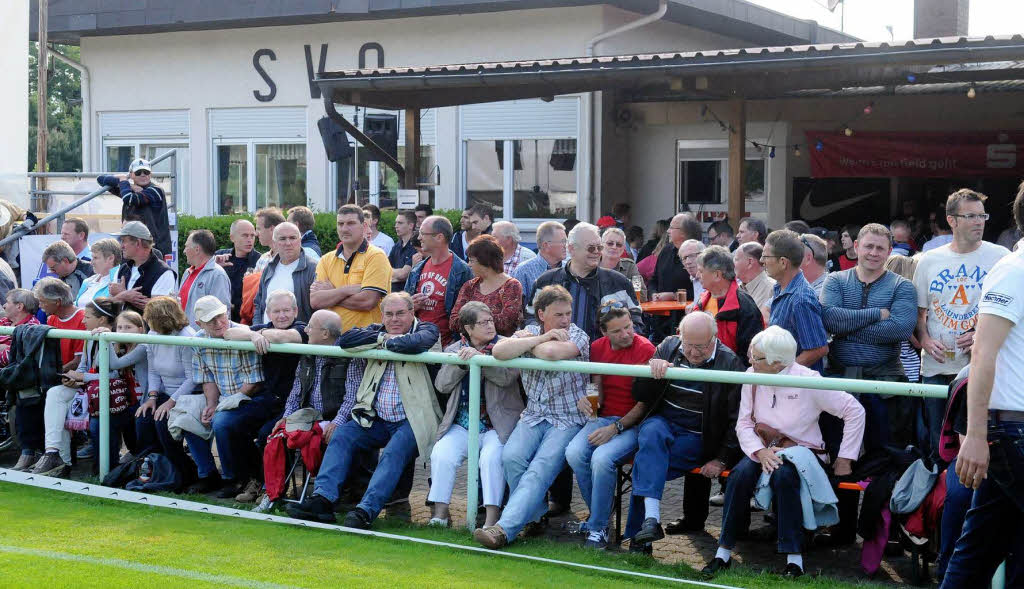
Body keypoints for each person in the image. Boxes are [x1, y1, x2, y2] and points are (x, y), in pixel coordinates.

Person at [702, 326, 865, 579]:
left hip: (802, 452)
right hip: (762, 450)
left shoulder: (809, 380)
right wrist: (760, 452)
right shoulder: (751, 375)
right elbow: (744, 423)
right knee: (737, 476)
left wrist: (845, 457)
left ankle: (794, 559)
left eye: (755, 357)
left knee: (784, 477)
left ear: (778, 363)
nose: (749, 360)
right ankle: (722, 554)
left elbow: (855, 411)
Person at [287, 292, 442, 529]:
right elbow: (347, 339)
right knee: (341, 435)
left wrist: (384, 342)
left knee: (391, 454)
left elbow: (415, 343)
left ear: (412, 313)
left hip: (413, 420)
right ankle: (322, 501)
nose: (394, 319)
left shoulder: (428, 330)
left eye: (401, 313)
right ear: (382, 315)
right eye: (389, 314)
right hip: (375, 418)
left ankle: (365, 511)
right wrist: (383, 337)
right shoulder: (376, 329)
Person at [940, 185, 1024, 587]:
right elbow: (982, 355)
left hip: (1011, 431)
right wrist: (975, 436)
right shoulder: (1014, 270)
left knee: (980, 550)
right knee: (981, 550)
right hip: (1011, 430)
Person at [473, 285, 590, 549]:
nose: (565, 320)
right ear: (541, 314)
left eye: (567, 313)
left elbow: (551, 354)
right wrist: (539, 339)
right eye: (558, 314)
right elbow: (498, 352)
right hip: (534, 415)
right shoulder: (530, 334)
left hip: (568, 419)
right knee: (510, 458)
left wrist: (528, 344)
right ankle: (535, 517)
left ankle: (503, 529)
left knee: (539, 469)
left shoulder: (578, 335)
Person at [627, 312, 744, 547]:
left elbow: (737, 420)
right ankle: (649, 523)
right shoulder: (669, 346)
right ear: (680, 336)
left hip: (698, 435)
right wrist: (651, 371)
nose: (692, 352)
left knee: (646, 465)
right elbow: (639, 395)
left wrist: (721, 459)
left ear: (714, 339)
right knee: (650, 432)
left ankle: (642, 536)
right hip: (663, 426)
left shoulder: (730, 363)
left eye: (700, 347)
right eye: (688, 345)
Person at [914, 188, 1009, 464]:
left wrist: (982, 334)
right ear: (951, 220)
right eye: (971, 216)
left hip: (980, 369)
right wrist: (925, 339)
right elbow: (920, 315)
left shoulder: (1000, 256)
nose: (979, 222)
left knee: (980, 447)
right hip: (937, 367)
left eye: (982, 216)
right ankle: (942, 503)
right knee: (939, 446)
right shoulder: (928, 260)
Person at [820, 223, 918, 454]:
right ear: (856, 246)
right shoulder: (835, 280)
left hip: (885, 384)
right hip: (839, 380)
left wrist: (846, 331)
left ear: (889, 251)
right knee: (836, 454)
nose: (873, 253)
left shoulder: (902, 287)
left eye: (880, 248)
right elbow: (829, 319)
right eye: (868, 246)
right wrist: (875, 314)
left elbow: (900, 329)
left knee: (885, 455)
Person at [565, 304, 655, 548]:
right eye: (617, 331)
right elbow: (597, 387)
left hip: (634, 423)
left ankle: (598, 526)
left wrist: (615, 429)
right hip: (605, 417)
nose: (626, 334)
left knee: (602, 459)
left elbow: (644, 404)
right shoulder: (597, 347)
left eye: (629, 327)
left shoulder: (645, 348)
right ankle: (601, 516)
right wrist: (589, 403)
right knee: (574, 453)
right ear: (604, 332)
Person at [430, 302, 525, 528]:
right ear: (468, 329)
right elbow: (441, 385)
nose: (490, 325)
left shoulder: (506, 346)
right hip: (463, 424)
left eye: (490, 320)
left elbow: (506, 379)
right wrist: (463, 364)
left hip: (497, 425)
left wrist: (479, 361)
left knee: (491, 459)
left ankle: (491, 521)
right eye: (482, 323)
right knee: (442, 453)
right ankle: (440, 516)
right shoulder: (454, 350)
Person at [223, 289, 309, 502]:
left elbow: (282, 337)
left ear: (296, 311)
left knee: (266, 435)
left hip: (295, 402)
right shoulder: (263, 328)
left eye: (286, 310)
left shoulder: (302, 328)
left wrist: (259, 335)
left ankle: (273, 487)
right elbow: (228, 333)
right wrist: (253, 335)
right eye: (277, 311)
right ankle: (255, 479)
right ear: (268, 314)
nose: (282, 316)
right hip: (267, 398)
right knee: (230, 425)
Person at [183, 295, 268, 498]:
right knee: (183, 417)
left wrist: (228, 402)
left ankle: (232, 478)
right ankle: (207, 475)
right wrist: (211, 404)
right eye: (211, 320)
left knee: (221, 422)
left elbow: (255, 381)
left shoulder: (244, 334)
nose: (218, 322)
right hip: (223, 395)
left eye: (220, 316)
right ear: (199, 324)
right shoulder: (198, 341)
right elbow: (207, 377)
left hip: (252, 396)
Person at [32, 298, 126, 477]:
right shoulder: (88, 336)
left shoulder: (115, 337)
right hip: (88, 389)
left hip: (109, 394)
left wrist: (82, 377)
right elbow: (83, 366)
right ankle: (55, 455)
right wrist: (73, 378)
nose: (83, 320)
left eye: (87, 317)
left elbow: (114, 376)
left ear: (102, 320)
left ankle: (62, 461)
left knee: (60, 403)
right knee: (55, 394)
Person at [532, 222, 642, 342]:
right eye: (591, 248)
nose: (596, 252)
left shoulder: (620, 283)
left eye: (599, 247)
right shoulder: (546, 282)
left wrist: (614, 344)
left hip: (604, 359)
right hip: (556, 356)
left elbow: (636, 325)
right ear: (572, 249)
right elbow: (531, 320)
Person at [136, 296, 197, 482]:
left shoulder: (187, 337)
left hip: (190, 394)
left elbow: (193, 378)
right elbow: (153, 370)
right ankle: (155, 468)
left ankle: (183, 472)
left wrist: (171, 403)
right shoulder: (153, 336)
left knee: (163, 423)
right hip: (165, 393)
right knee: (143, 418)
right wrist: (152, 397)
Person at [311, 205, 392, 332]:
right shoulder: (326, 259)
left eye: (351, 223)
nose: (344, 229)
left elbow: (367, 301)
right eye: (340, 224)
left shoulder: (376, 256)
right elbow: (316, 301)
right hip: (330, 342)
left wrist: (332, 294)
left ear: (364, 226)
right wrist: (345, 290)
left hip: (365, 341)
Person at [762, 230, 829, 372]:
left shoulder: (801, 299)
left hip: (798, 390)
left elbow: (818, 349)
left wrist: (784, 372)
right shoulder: (781, 288)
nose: (762, 261)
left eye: (766, 256)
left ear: (783, 262)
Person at [404, 215, 472, 347]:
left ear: (439, 237)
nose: (418, 238)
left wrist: (455, 343)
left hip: (448, 347)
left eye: (422, 233)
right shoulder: (417, 269)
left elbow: (468, 312)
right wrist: (410, 305)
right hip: (417, 343)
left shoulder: (462, 271)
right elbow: (404, 305)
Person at [692, 245, 763, 364]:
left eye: (701, 271)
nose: (697, 276)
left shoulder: (744, 306)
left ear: (717, 275)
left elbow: (749, 354)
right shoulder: (703, 300)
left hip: (730, 375)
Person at [449, 235, 523, 338]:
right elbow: (453, 321)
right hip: (468, 346)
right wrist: (484, 322)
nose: (468, 265)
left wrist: (471, 322)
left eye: (471, 260)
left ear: (485, 262)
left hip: (500, 347)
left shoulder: (511, 286)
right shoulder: (469, 286)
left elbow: (505, 322)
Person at [97, 158, 172, 258]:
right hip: (132, 245)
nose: (143, 175)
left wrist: (124, 181)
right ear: (131, 175)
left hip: (154, 247)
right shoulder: (129, 189)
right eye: (138, 172)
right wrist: (130, 185)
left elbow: (129, 199)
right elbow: (101, 179)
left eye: (146, 172)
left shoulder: (156, 190)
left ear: (150, 174)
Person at [253, 222, 317, 324]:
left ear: (300, 240)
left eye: (292, 238)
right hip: (264, 335)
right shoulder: (269, 268)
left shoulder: (313, 268)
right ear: (274, 243)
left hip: (295, 337)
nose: (288, 243)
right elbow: (259, 304)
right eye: (282, 239)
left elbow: (319, 308)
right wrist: (257, 327)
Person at [109, 221, 175, 315]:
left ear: (137, 243)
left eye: (123, 241)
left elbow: (161, 311)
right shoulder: (122, 269)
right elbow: (109, 305)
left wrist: (122, 295)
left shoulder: (163, 272)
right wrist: (124, 295)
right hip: (121, 329)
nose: (121, 246)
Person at [179, 229, 232, 329]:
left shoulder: (217, 275)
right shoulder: (187, 272)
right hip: (186, 339)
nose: (184, 251)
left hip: (203, 341)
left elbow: (223, 314)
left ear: (197, 249)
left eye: (186, 247)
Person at [512, 221, 567, 317]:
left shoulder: (569, 269)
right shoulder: (523, 270)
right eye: (562, 241)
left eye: (566, 242)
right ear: (546, 245)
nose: (566, 246)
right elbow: (517, 310)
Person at [884, 255, 923, 385]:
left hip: (886, 371)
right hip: (906, 370)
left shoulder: (881, 301)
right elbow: (918, 343)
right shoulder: (906, 304)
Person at [35, 278, 85, 372]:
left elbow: (79, 361)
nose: (40, 306)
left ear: (57, 302)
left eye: (42, 301)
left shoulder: (83, 320)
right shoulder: (52, 319)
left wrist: (53, 374)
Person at [215, 219, 261, 322]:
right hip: (220, 318)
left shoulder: (260, 261)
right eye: (245, 235)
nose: (249, 240)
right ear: (232, 238)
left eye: (252, 236)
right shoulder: (220, 257)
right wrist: (214, 265)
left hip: (247, 320)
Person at [649, 214, 699, 304]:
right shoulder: (666, 250)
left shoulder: (699, 254)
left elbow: (703, 290)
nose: (668, 231)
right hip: (661, 313)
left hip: (685, 313)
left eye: (672, 228)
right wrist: (653, 294)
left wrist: (674, 296)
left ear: (683, 232)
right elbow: (654, 280)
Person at [600, 227, 646, 301]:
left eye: (618, 245)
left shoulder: (629, 266)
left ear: (623, 248)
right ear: (601, 245)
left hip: (624, 311)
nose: (614, 247)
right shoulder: (592, 265)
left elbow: (642, 296)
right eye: (610, 243)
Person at [733, 242, 775, 320]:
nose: (733, 264)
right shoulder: (736, 288)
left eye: (736, 259)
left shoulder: (772, 288)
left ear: (750, 262)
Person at [75, 238, 121, 308]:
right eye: (92, 258)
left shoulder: (119, 280)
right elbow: (76, 306)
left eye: (95, 258)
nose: (91, 262)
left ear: (111, 258)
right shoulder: (88, 281)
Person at [0, 289, 41, 368]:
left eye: (8, 302)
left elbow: (12, 359)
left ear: (19, 306)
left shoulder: (32, 327)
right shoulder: (4, 321)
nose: (4, 306)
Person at [389, 210, 418, 294]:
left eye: (400, 223)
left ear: (411, 225)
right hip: (392, 293)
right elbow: (383, 269)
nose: (396, 226)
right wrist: (397, 274)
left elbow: (403, 274)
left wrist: (392, 274)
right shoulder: (397, 246)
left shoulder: (416, 246)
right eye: (396, 223)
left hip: (407, 295)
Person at [253, 207, 287, 273]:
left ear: (272, 229)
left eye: (259, 229)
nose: (256, 233)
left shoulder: (291, 258)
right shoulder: (263, 258)